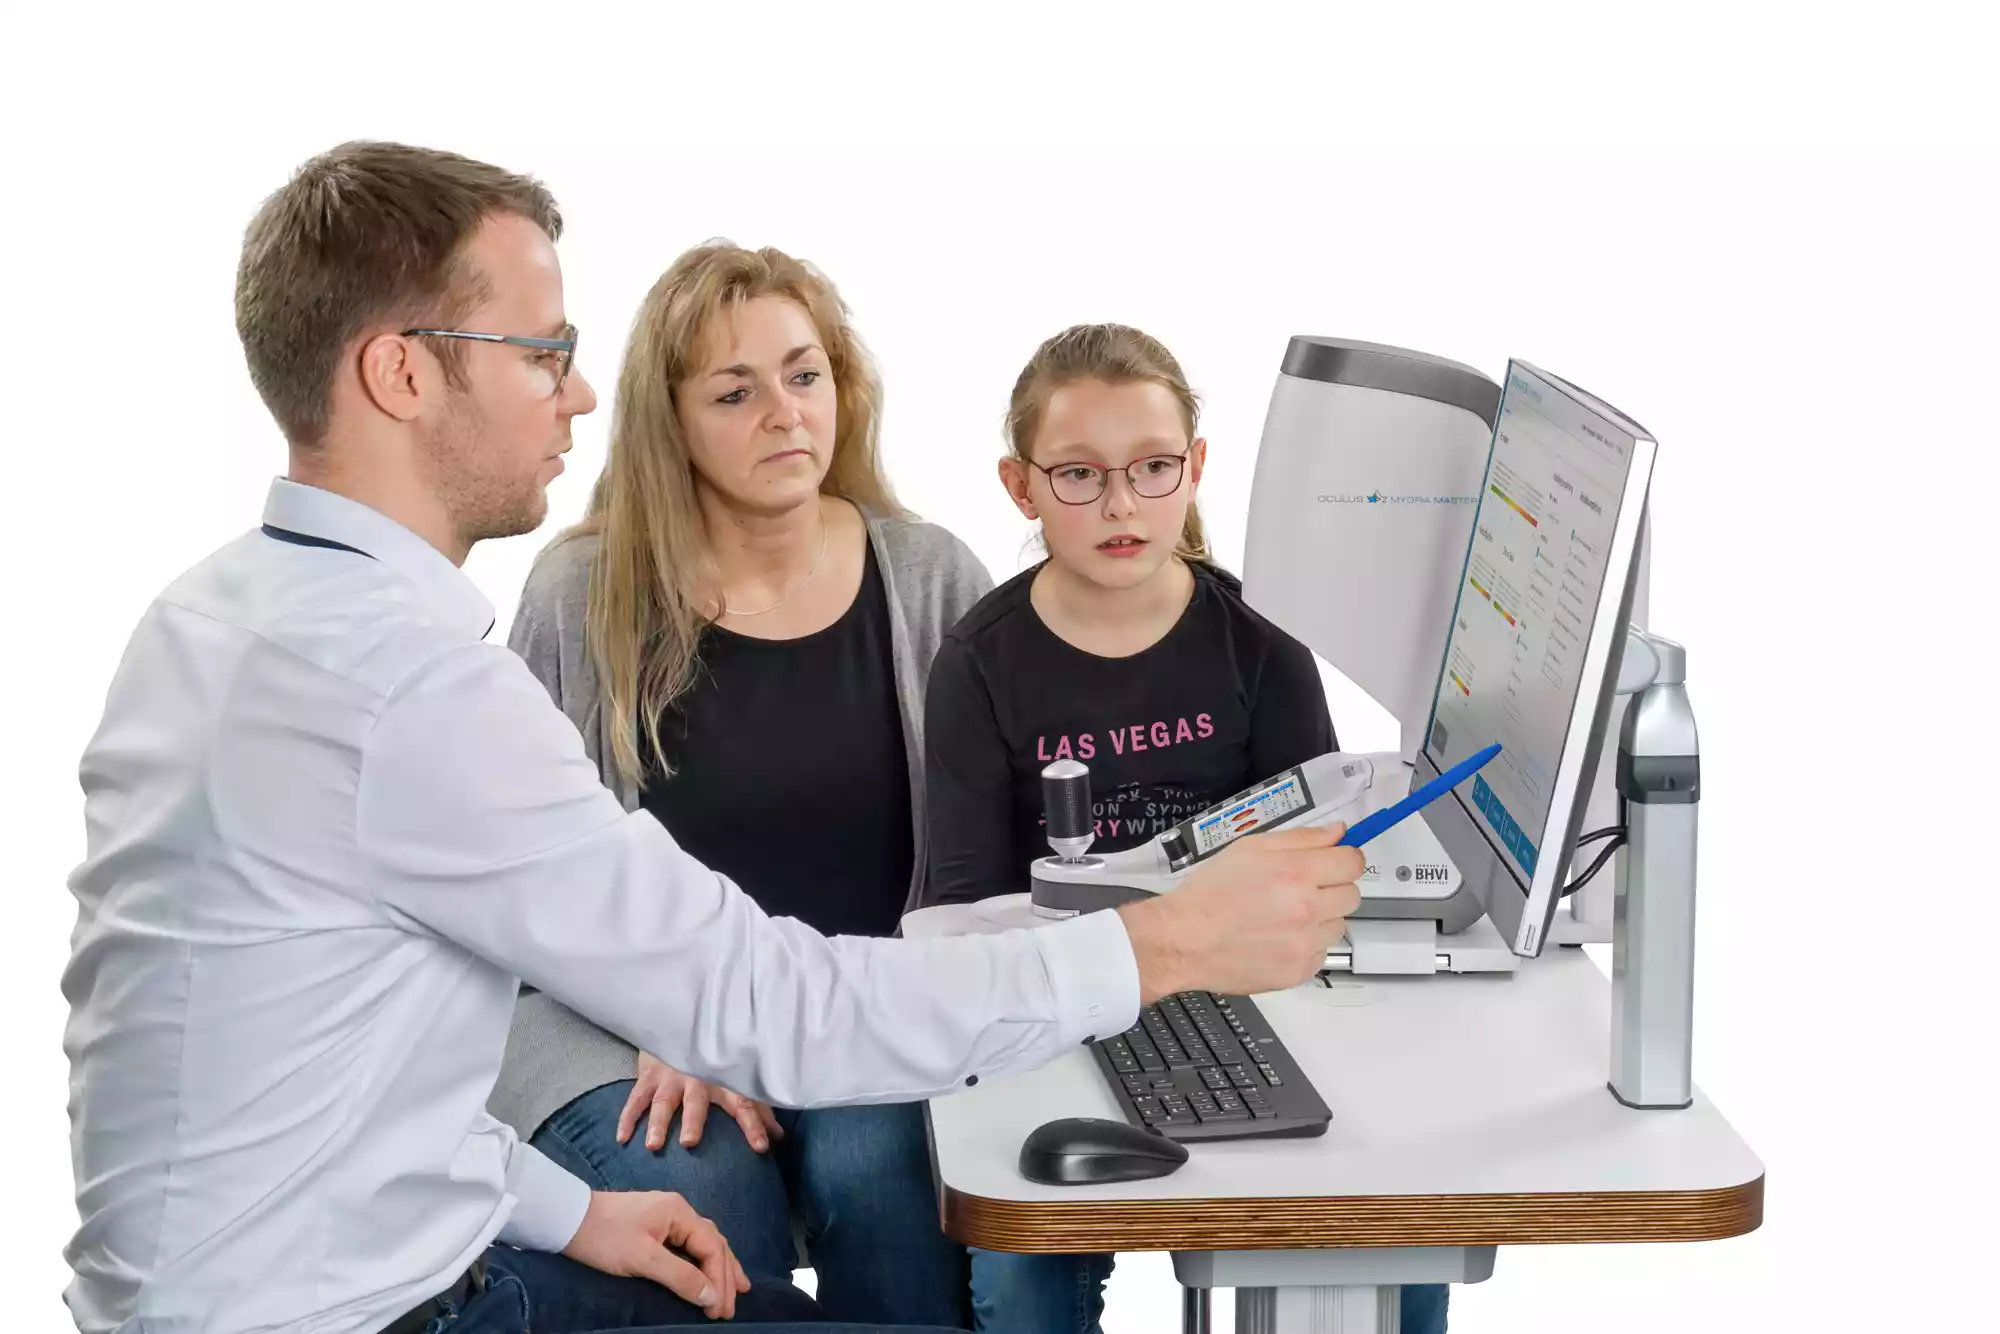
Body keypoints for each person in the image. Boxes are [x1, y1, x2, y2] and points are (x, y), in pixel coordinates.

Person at [58, 140, 1369, 1334]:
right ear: (401, 372)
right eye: (539, 352)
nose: (577, 394)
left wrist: (569, 1210)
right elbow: (753, 1002)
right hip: (381, 1312)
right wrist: (1168, 941)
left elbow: (332, 1081)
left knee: (821, 1203)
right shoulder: (413, 686)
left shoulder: (211, 617)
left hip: (325, 1280)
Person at [487, 241, 1000, 1328]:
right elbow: (520, 875)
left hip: (866, 1006)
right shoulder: (581, 592)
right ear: (669, 422)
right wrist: (658, 1016)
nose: (783, 413)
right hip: (623, 1017)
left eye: (803, 375)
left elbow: (992, 859)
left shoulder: (931, 576)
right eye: (734, 392)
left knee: (884, 1167)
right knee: (698, 1178)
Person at [920, 322, 1451, 1332]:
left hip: (1253, 1003)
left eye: (1153, 467)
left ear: (1195, 467)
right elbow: (966, 911)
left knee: (1387, 1221)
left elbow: (1319, 860)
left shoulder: (1261, 641)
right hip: (1056, 1014)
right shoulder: (978, 664)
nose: (1120, 504)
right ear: (1020, 487)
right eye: (1078, 474)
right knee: (1023, 1273)